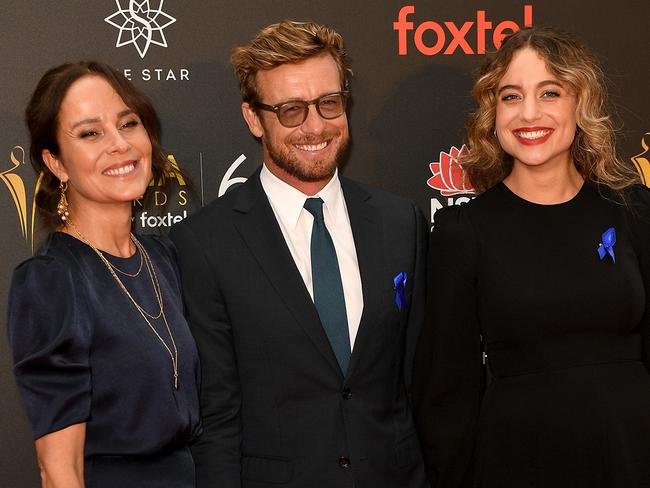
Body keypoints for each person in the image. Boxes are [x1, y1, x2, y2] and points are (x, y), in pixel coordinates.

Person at [169, 20, 428, 488]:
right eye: (290, 110)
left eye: (328, 103)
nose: (315, 126)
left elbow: (416, 382)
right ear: (253, 118)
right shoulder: (205, 243)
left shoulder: (399, 222)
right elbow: (217, 419)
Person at [413, 26, 650, 488]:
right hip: (518, 462)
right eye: (510, 96)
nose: (529, 113)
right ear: (492, 112)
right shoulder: (463, 232)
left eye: (550, 92)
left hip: (634, 454)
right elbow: (446, 390)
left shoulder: (634, 211)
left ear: (579, 104)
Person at [6, 61, 201, 487]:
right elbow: (60, 471)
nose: (119, 144)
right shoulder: (51, 281)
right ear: (55, 163)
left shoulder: (161, 258)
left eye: (128, 123)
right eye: (90, 133)